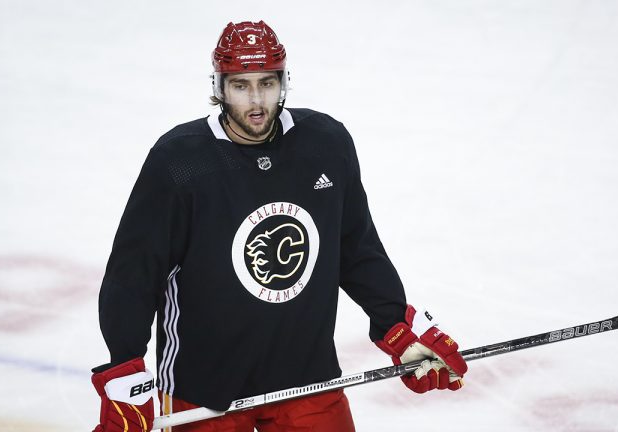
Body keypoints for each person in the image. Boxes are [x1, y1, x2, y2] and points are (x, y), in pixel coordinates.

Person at [91, 20, 468, 432]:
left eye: (267, 83)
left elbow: (355, 248)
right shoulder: (180, 162)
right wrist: (123, 371)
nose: (256, 101)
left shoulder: (325, 144)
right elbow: (133, 274)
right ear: (219, 87)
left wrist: (398, 327)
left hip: (307, 381)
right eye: (241, 85)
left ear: (283, 82)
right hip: (205, 390)